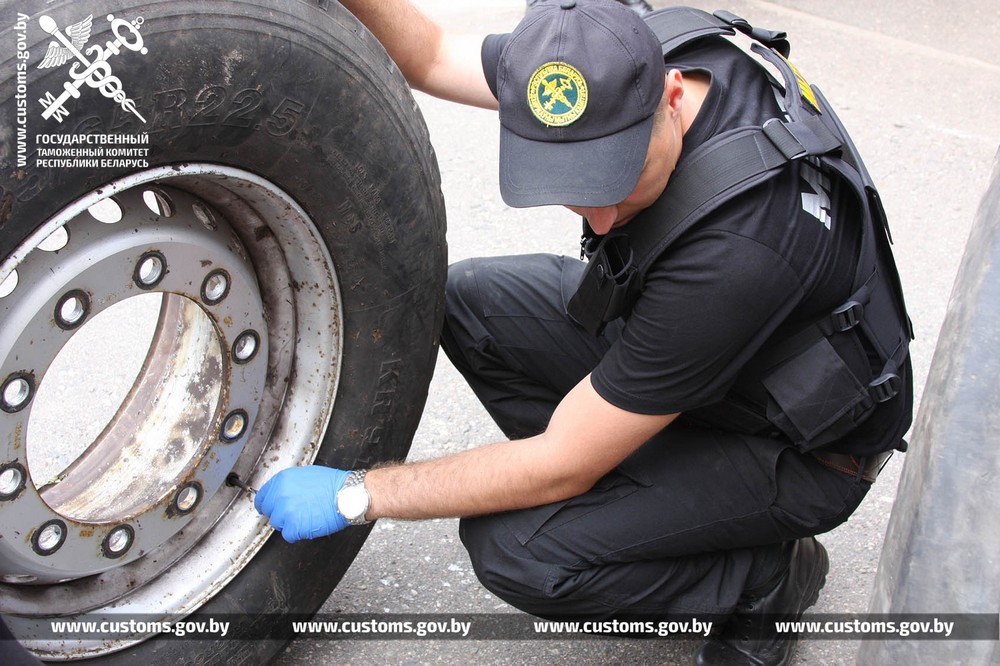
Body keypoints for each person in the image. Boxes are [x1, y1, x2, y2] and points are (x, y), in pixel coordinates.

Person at [254, 1, 913, 664]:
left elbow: (561, 463)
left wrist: (357, 494)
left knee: (521, 551)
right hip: (723, 365)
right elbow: (428, 54)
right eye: (574, 183)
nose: (599, 220)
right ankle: (635, 498)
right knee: (470, 305)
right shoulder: (624, 59)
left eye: (616, 178)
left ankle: (765, 579)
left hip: (802, 449)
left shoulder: (738, 254)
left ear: (670, 95)